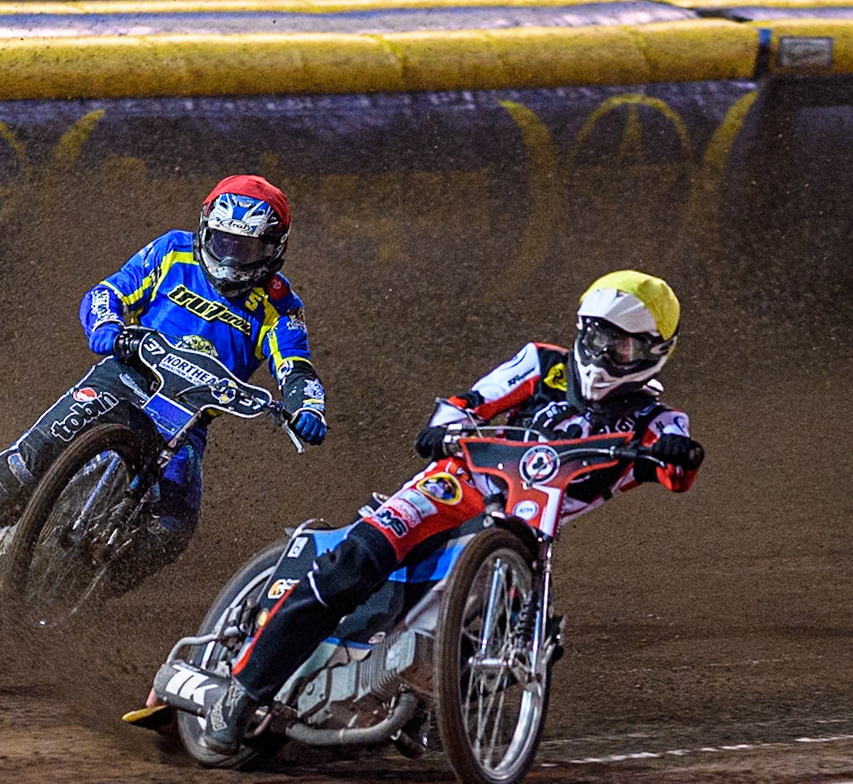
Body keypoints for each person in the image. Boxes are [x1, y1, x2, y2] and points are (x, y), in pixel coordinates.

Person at [150, 269, 705, 753]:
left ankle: (434, 710)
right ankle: (241, 693)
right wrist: (445, 425)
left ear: (653, 352)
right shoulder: (542, 363)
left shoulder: (654, 420)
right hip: (454, 485)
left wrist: (676, 455)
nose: (604, 354)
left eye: (622, 347)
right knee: (357, 561)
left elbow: (678, 468)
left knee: (526, 624)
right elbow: (469, 401)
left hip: (525, 528)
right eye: (596, 336)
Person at [0, 175, 328, 588]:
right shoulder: (174, 252)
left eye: (245, 250)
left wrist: (306, 408)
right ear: (206, 230)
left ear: (273, 250)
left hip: (186, 423)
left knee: (171, 530)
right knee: (26, 463)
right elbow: (107, 292)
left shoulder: (280, 306)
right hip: (123, 380)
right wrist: (107, 326)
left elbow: (296, 366)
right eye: (224, 242)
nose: (231, 258)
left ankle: (75, 590)